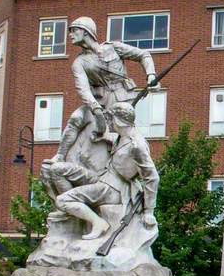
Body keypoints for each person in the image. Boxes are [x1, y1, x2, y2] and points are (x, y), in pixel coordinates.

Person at [53, 16, 157, 156]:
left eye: (74, 30)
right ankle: (59, 156)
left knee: (124, 137)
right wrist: (96, 109)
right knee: (76, 118)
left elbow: (143, 55)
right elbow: (83, 89)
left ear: (85, 31)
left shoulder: (113, 47)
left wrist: (151, 75)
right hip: (99, 101)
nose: (70, 35)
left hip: (123, 98)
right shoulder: (79, 63)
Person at [56, 102, 159, 242]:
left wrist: (149, 211)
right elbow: (117, 140)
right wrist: (104, 137)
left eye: (110, 119)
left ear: (118, 120)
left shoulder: (137, 146)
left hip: (113, 189)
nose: (109, 123)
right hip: (103, 179)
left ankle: (98, 223)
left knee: (62, 200)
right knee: (59, 170)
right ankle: (81, 214)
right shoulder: (122, 136)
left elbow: (152, 177)